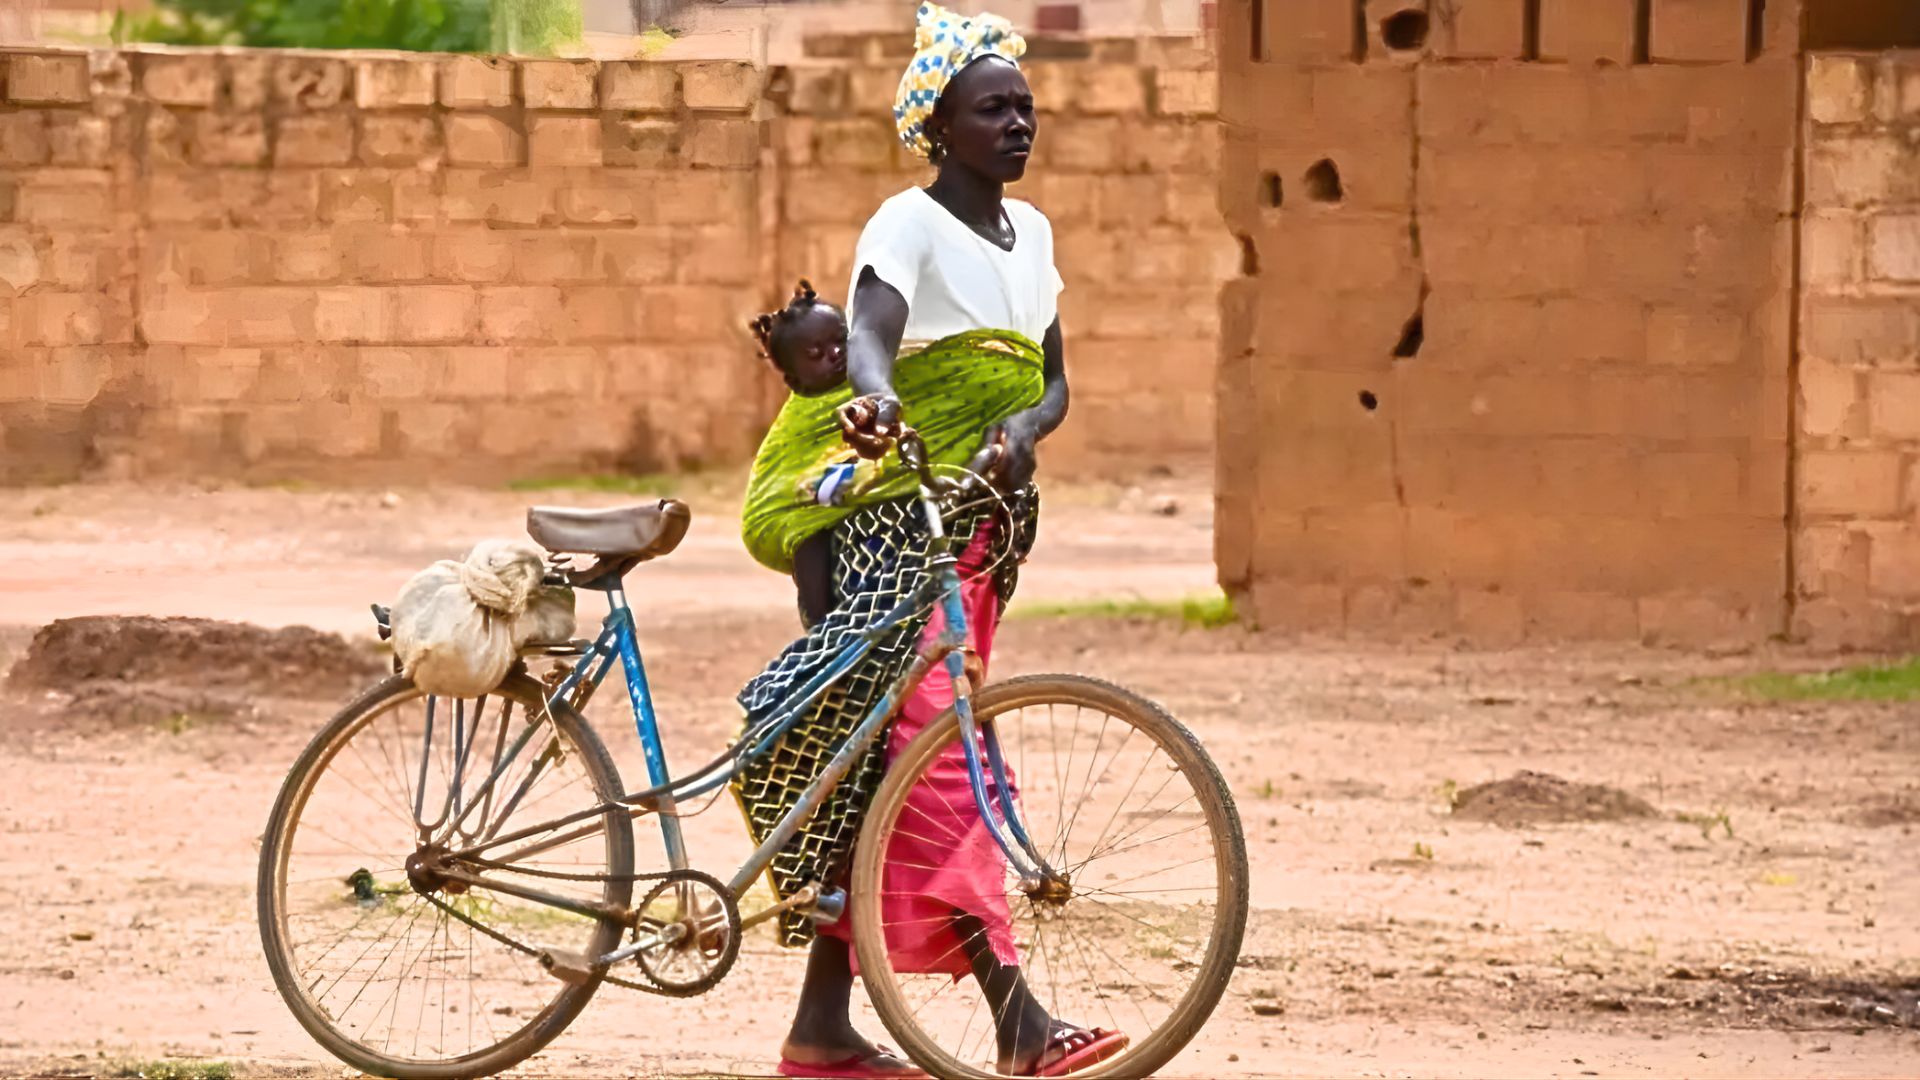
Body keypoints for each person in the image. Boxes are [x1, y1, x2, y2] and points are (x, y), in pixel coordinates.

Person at [732, 5, 1124, 1076]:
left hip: (976, 528)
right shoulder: (903, 224)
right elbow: (870, 334)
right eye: (992, 107)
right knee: (944, 763)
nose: (1017, 122)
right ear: (937, 126)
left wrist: (1022, 432)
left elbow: (1052, 383)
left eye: (1024, 106)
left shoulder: (1033, 235)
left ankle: (819, 1031)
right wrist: (874, 403)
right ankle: (1019, 1020)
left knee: (887, 770)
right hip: (892, 532)